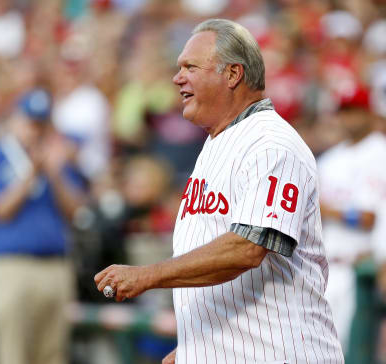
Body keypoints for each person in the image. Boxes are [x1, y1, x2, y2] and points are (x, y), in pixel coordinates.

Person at [95, 19, 344, 364]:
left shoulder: (271, 143)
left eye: (190, 67)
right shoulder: (216, 144)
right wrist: (197, 349)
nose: (176, 77)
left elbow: (247, 248)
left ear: (233, 75)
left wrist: (147, 275)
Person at [0, 88, 83, 364]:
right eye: (30, 122)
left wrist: (54, 174)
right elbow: (0, 210)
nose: (35, 130)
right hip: (11, 267)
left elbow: (76, 211)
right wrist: (30, 175)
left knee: (53, 355)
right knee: (13, 354)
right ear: (14, 120)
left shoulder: (54, 160)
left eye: (41, 123)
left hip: (55, 266)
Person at [318, 87, 386, 353]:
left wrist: (331, 211)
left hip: (360, 271)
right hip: (327, 269)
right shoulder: (329, 160)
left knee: (353, 353)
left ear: (368, 113)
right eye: (344, 112)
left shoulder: (379, 152)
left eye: (354, 111)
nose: (348, 119)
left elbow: (368, 218)